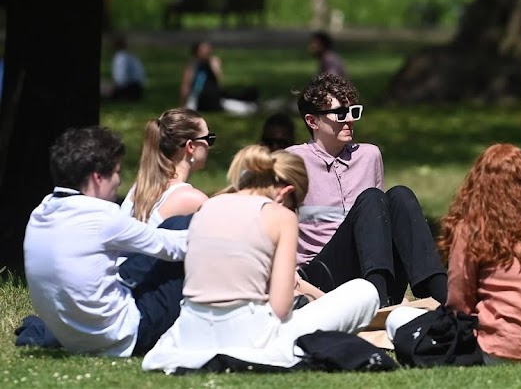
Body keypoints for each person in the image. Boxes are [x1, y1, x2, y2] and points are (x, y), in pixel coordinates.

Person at [141, 145, 379, 372]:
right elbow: (281, 308)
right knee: (364, 292)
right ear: (286, 192)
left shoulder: (208, 205)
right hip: (252, 337)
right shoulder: (280, 216)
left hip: (190, 333)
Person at [387, 143, 521, 363]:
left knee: (398, 318)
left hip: (503, 349)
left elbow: (459, 305)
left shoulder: (474, 229)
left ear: (477, 183)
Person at [286, 72, 448, 308]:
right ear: (312, 121)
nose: (349, 120)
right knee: (372, 199)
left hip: (367, 269)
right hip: (323, 278)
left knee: (400, 195)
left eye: (354, 112)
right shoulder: (292, 160)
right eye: (341, 113)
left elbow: (379, 226)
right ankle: (377, 301)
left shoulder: (369, 155)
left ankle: (442, 294)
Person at [23, 126, 188, 356]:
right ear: (98, 177)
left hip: (69, 334)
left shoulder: (41, 212)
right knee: (184, 225)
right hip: (123, 336)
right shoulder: (102, 216)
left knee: (169, 231)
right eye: (116, 172)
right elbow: (175, 248)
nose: (119, 181)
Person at [121, 108, 212, 227]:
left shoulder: (138, 190)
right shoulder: (193, 199)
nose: (209, 147)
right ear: (191, 146)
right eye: (209, 139)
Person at [179, 40, 258, 116]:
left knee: (233, 100)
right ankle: (250, 104)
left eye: (208, 49)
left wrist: (215, 67)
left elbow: (218, 83)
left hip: (214, 97)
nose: (207, 51)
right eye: (203, 49)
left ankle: (250, 102)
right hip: (198, 98)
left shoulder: (213, 62)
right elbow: (186, 86)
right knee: (233, 105)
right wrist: (183, 103)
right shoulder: (192, 65)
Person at [102, 33, 146, 102]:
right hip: (137, 89)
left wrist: (110, 86)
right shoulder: (130, 56)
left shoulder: (120, 57)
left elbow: (121, 80)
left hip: (129, 90)